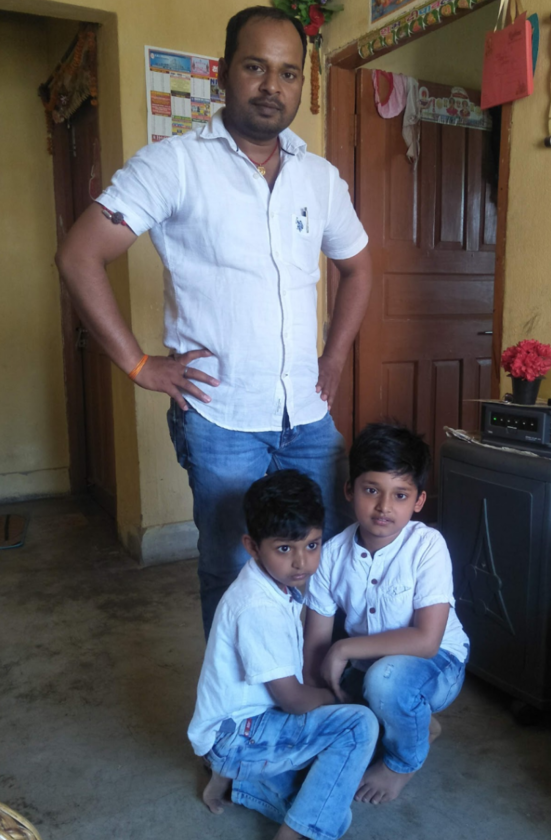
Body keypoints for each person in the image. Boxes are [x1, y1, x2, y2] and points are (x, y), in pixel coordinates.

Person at [55, 6, 372, 637]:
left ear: (300, 83)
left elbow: (358, 270)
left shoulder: (319, 179)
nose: (271, 86)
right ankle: (240, 697)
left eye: (287, 73)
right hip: (221, 418)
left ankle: (314, 682)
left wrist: (334, 357)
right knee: (232, 564)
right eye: (255, 67)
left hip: (308, 416)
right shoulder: (174, 164)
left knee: (329, 560)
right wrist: (139, 364)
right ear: (223, 73)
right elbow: (79, 254)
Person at [189, 469, 379, 840]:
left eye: (312, 545)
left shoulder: (271, 585)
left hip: (240, 729)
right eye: (284, 549)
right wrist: (336, 699)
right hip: (239, 735)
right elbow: (292, 699)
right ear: (252, 546)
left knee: (330, 803)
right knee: (359, 726)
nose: (301, 562)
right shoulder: (257, 606)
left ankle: (235, 782)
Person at [303, 422, 469, 805]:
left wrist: (343, 649)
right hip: (367, 668)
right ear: (350, 490)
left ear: (419, 501)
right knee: (335, 721)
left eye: (400, 495)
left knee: (386, 682)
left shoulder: (427, 546)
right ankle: (420, 723)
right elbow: (315, 648)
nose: (384, 507)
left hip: (439, 664)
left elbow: (427, 641)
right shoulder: (331, 555)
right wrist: (318, 701)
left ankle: (402, 762)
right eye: (371, 490)